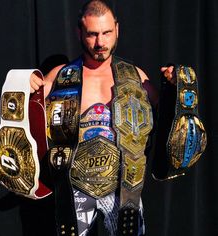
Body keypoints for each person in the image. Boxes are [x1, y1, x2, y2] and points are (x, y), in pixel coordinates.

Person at [30, 1, 174, 235]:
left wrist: (174, 88)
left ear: (117, 29)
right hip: (74, 186)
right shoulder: (60, 76)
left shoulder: (136, 77)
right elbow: (26, 117)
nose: (100, 42)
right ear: (79, 33)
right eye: (92, 34)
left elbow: (169, 119)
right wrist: (27, 86)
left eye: (106, 33)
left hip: (123, 187)